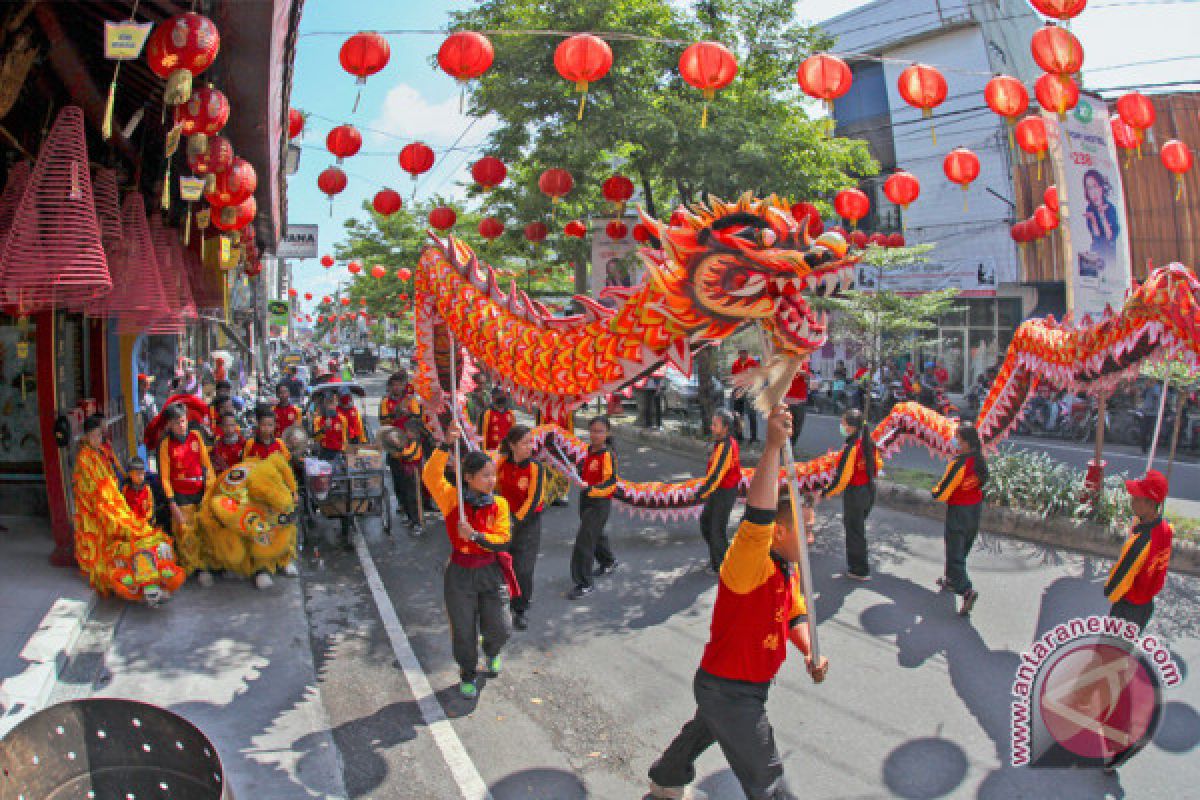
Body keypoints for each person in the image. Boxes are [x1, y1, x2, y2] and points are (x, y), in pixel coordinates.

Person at [648, 405, 829, 800]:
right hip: (730, 690)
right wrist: (772, 449)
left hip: (741, 687)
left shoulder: (789, 565)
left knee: (706, 728)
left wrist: (810, 649)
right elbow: (758, 515)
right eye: (807, 531)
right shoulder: (750, 562)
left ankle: (664, 778)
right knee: (769, 780)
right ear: (779, 532)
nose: (813, 540)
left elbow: (795, 612)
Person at [423, 421, 514, 699]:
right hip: (460, 574)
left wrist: (475, 536)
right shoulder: (452, 500)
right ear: (468, 477)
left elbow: (503, 538)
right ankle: (468, 673)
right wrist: (445, 445)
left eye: (493, 475)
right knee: (463, 630)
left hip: (490, 571)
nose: (492, 481)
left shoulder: (499, 504)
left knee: (501, 626)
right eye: (485, 476)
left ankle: (493, 649)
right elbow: (430, 476)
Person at [75, 416, 184, 605]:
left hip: (113, 506)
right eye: (94, 435)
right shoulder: (85, 458)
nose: (98, 438)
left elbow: (111, 481)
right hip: (97, 511)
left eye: (99, 434)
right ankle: (135, 582)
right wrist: (110, 510)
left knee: (141, 534)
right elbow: (95, 490)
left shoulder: (99, 452)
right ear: (86, 436)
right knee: (118, 540)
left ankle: (152, 580)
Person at [1105, 469, 1173, 632]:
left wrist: (1110, 591)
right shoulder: (1165, 529)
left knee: (1112, 649)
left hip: (1128, 606)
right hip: (1146, 603)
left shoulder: (1142, 542)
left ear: (1150, 504)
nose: (1132, 502)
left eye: (1136, 499)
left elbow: (1120, 577)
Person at [932, 423, 988, 616]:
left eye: (957, 438)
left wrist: (934, 492)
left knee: (954, 549)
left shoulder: (959, 464)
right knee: (962, 546)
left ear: (965, 442)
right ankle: (951, 580)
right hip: (974, 508)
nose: (955, 441)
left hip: (959, 510)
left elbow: (942, 491)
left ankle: (966, 590)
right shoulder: (979, 459)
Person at [157, 402, 216, 584]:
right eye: (176, 423)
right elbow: (165, 478)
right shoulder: (166, 445)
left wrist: (210, 490)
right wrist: (171, 501)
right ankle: (194, 567)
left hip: (200, 491)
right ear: (170, 425)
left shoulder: (196, 437)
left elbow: (207, 466)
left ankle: (205, 563)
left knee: (203, 529)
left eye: (183, 421)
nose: (181, 425)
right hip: (180, 496)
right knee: (185, 532)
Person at [496, 424, 546, 631]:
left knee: (524, 568)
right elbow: (495, 488)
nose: (530, 447)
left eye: (530, 442)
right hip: (505, 522)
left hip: (528, 524)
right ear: (512, 445)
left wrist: (516, 519)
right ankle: (504, 602)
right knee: (503, 564)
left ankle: (521, 608)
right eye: (525, 443)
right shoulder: (500, 464)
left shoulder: (535, 467)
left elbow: (534, 499)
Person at [822, 408, 879, 581]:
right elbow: (877, 466)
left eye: (843, 423)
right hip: (868, 490)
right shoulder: (868, 442)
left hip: (855, 493)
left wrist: (827, 492)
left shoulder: (852, 448)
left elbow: (843, 478)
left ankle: (859, 569)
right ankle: (860, 565)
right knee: (858, 529)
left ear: (851, 427)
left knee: (854, 531)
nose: (841, 425)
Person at [568, 416, 619, 600]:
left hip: (599, 502)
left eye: (600, 431)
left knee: (584, 541)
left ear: (607, 433)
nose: (595, 435)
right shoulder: (590, 450)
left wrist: (591, 489)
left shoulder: (607, 455)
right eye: (593, 431)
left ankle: (584, 582)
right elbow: (588, 472)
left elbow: (611, 484)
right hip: (587, 499)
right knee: (595, 534)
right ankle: (609, 561)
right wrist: (576, 471)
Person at [697, 410, 742, 574]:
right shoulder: (723, 443)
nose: (711, 427)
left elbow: (716, 475)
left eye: (715, 425)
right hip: (718, 491)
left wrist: (700, 493)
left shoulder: (726, 446)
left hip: (724, 492)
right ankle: (720, 557)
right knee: (706, 523)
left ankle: (721, 565)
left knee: (716, 529)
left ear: (725, 428)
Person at [391, 419, 425, 535]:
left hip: (413, 472)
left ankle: (418, 523)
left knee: (413, 497)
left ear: (414, 432)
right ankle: (411, 519)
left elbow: (409, 455)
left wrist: (400, 449)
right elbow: (397, 454)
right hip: (405, 471)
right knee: (406, 496)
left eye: (408, 431)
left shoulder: (416, 442)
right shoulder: (408, 441)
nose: (406, 433)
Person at [1083, 168, 1119, 256]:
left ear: (1101, 187)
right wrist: (1093, 220)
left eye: (1095, 186)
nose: (1093, 192)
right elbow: (1097, 237)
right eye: (1089, 188)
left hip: (1109, 253)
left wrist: (1102, 215)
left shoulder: (1110, 208)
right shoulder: (1089, 209)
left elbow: (1109, 237)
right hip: (1096, 253)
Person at [730, 348, 760, 442]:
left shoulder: (753, 363)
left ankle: (753, 437)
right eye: (741, 352)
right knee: (738, 414)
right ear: (739, 353)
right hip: (738, 389)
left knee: (752, 414)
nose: (743, 354)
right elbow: (734, 377)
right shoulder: (735, 364)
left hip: (749, 389)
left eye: (745, 352)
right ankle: (739, 436)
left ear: (747, 353)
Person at [312, 391, 350, 460]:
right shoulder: (318, 420)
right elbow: (316, 439)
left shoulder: (342, 419)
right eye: (328, 403)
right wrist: (324, 429)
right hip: (323, 452)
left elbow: (345, 438)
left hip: (338, 452)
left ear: (336, 403)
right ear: (324, 404)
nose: (330, 406)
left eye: (332, 402)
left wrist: (343, 451)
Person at [783, 361, 809, 446]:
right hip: (786, 402)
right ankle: (784, 448)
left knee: (797, 428)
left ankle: (791, 446)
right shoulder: (785, 362)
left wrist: (796, 369)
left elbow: (806, 375)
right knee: (785, 426)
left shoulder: (803, 363)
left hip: (800, 402)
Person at [121, 457, 155, 524]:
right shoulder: (126, 489)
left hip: (144, 522)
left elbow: (151, 506)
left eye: (142, 473)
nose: (140, 477)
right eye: (138, 474)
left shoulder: (147, 488)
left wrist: (147, 518)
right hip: (130, 523)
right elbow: (122, 505)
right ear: (130, 474)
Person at [1138, 380, 1162, 454]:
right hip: (1146, 413)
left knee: (1152, 433)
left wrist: (1151, 387)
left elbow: (1156, 397)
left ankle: (1151, 449)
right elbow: (1141, 396)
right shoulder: (1147, 389)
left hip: (1153, 414)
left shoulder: (1156, 388)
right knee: (1143, 432)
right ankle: (1144, 449)